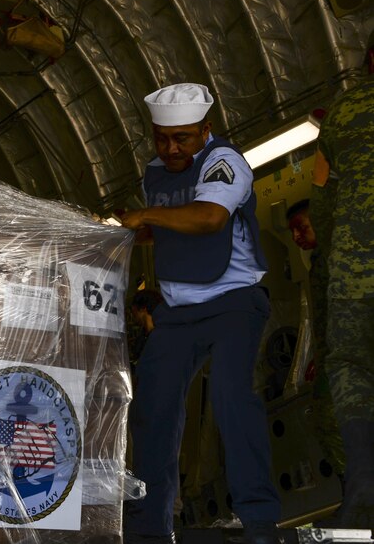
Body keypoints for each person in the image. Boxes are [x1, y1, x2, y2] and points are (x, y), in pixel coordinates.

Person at [120, 83, 279, 544]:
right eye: (162, 138)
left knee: (232, 399)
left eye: (183, 139)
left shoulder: (225, 161)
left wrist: (145, 215)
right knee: (152, 410)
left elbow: (209, 218)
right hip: (177, 310)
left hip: (231, 301)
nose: (171, 148)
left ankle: (259, 519)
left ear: (205, 130)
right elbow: (171, 228)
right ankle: (149, 528)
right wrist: (130, 231)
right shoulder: (156, 172)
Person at [308, 33, 374, 528]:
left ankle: (366, 483)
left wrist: (331, 261)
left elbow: (323, 205)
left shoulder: (343, 112)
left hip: (353, 270)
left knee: (351, 368)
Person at [285, 200, 345, 481]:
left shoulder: (341, 258)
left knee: (331, 423)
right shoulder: (324, 260)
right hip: (336, 360)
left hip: (347, 361)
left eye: (301, 228)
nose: (297, 237)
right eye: (292, 232)